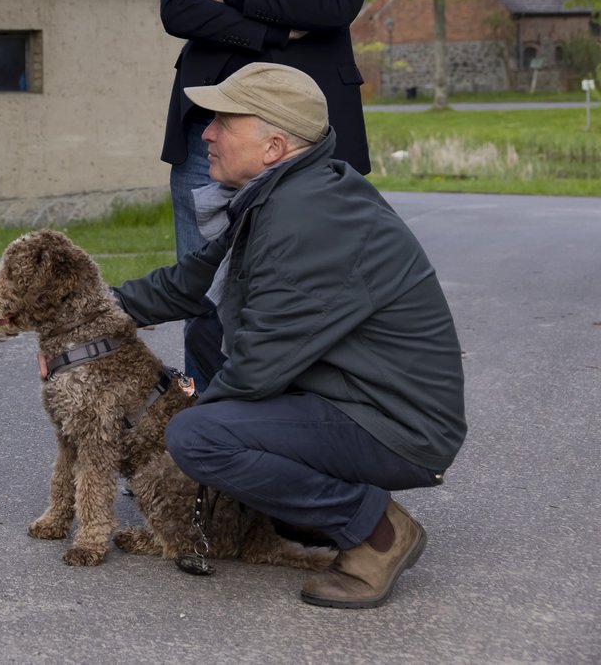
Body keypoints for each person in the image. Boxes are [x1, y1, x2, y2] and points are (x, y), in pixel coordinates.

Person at [112, 62, 466, 609]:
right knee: (210, 353)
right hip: (356, 397)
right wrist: (83, 314)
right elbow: (188, 285)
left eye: (224, 123)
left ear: (274, 146)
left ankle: (376, 532)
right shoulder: (280, 197)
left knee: (198, 439)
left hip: (398, 425)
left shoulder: (307, 218)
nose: (205, 132)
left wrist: (183, 427)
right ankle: (313, 511)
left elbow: (258, 367)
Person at [160, 0, 378, 387]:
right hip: (213, 131)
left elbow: (340, 2)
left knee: (320, 285)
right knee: (206, 287)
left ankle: (309, 430)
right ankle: (207, 443)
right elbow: (178, 6)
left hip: (316, 132)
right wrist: (285, 22)